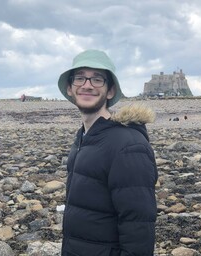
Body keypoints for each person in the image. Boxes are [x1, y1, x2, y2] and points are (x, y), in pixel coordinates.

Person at [58, 49, 158, 256]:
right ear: (70, 88)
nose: (87, 85)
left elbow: (138, 227)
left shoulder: (128, 145)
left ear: (110, 91)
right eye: (79, 78)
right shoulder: (84, 138)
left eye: (97, 79)